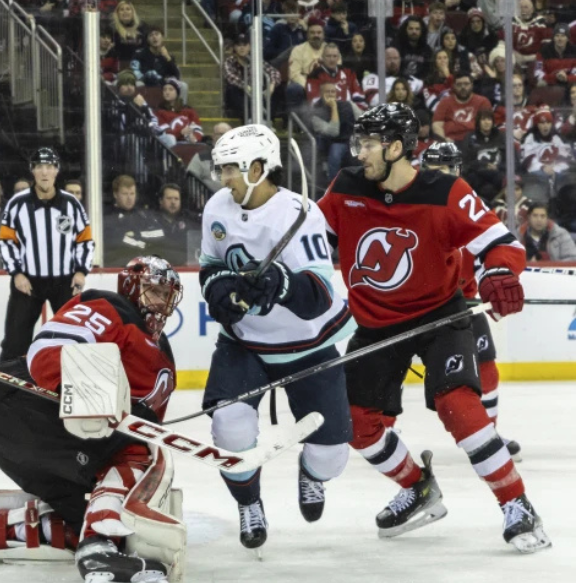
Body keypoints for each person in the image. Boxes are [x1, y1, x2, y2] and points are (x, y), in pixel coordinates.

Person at [318, 103, 549, 552]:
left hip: (440, 315)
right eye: (359, 143)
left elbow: (502, 244)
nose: (358, 152)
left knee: (458, 405)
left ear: (397, 147)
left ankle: (517, 505)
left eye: (368, 144)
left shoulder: (445, 191)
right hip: (375, 325)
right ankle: (417, 486)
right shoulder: (345, 186)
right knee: (356, 422)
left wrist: (500, 273)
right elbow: (311, 242)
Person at [0, 255, 184, 583]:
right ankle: (98, 551)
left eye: (165, 295)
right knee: (144, 457)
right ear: (131, 287)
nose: (160, 303)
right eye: (153, 291)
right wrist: (91, 394)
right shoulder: (111, 307)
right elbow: (47, 353)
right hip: (33, 408)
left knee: (96, 513)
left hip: (52, 453)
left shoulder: (164, 358)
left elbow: (143, 425)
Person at [198, 124, 354, 556]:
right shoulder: (217, 207)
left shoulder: (301, 214)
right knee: (229, 425)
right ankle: (250, 504)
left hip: (309, 344)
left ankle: (313, 474)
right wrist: (217, 291)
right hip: (246, 343)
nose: (223, 177)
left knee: (332, 455)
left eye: (231, 168)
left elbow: (320, 296)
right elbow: (210, 265)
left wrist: (284, 284)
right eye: (223, 167)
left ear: (258, 168)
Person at [421, 141, 525, 463]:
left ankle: (489, 434)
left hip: (462, 301)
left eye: (447, 169)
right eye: (434, 170)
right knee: (391, 368)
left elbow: (489, 249)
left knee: (486, 363)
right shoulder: (410, 207)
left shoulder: (468, 205)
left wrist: (490, 281)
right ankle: (386, 430)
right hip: (415, 306)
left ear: (457, 171)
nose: (441, 177)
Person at [0, 147, 94, 362]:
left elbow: (85, 240)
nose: (44, 172)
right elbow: (5, 241)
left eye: (49, 167)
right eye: (39, 167)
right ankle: (8, 390)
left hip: (65, 282)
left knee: (75, 335)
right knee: (15, 340)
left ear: (56, 171)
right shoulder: (17, 203)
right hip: (27, 282)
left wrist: (80, 271)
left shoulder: (71, 204)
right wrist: (17, 273)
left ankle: (77, 384)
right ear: (32, 171)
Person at [103, 174, 163, 268]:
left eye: (132, 193)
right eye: (125, 194)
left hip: (144, 267)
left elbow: (160, 234)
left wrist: (136, 235)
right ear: (115, 194)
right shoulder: (107, 217)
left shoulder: (144, 216)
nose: (129, 198)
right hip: (117, 267)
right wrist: (142, 241)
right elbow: (115, 240)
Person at [432, 73, 492, 141]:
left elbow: (487, 125)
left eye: (466, 84)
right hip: (450, 142)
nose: (463, 87)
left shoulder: (483, 102)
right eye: (459, 84)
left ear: (472, 85)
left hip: (475, 141)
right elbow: (437, 125)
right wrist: (444, 141)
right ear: (454, 86)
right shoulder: (444, 102)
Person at [151, 184, 198, 266]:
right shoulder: (151, 223)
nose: (173, 202)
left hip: (186, 271)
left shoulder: (189, 222)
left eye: (176, 199)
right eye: (169, 198)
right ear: (161, 201)